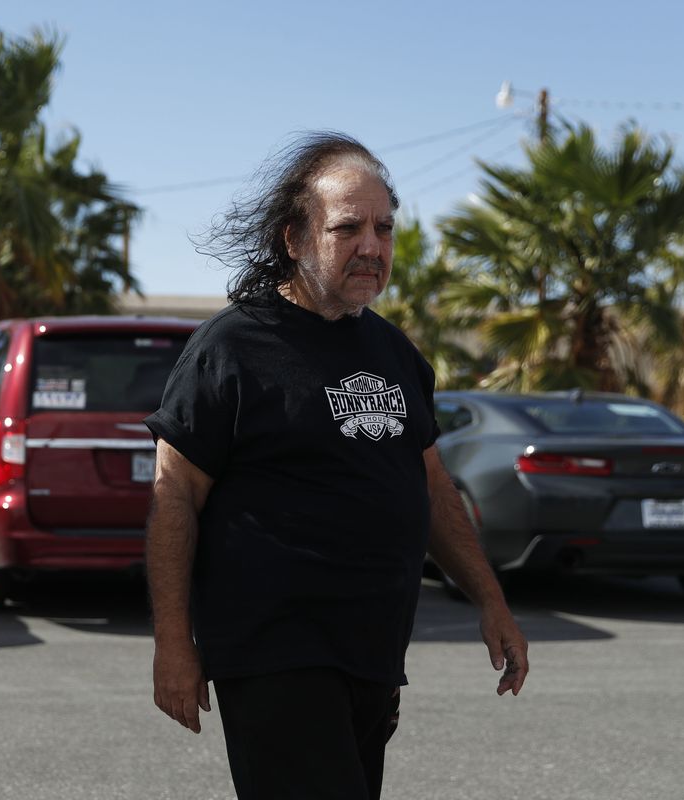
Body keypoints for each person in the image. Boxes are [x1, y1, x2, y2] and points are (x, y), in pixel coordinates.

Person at [143, 132, 528, 800]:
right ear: (293, 237)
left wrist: (490, 599)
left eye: (384, 228)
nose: (372, 247)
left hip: (374, 651)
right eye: (347, 228)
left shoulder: (393, 350)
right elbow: (174, 496)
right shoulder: (231, 348)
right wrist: (173, 643)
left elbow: (430, 485)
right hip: (275, 650)